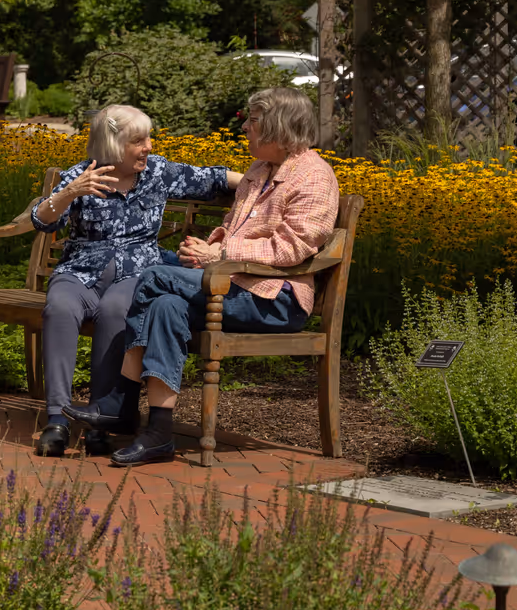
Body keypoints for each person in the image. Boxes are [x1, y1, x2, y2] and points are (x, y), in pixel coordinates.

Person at [66, 87, 339, 466]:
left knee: (154, 276)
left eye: (253, 121)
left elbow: (293, 248)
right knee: (164, 305)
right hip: (232, 284)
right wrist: (207, 248)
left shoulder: (313, 177)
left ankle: (122, 401)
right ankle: (159, 434)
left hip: (275, 297)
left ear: (278, 125)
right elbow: (234, 227)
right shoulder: (259, 171)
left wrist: (220, 254)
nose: (245, 128)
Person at [26, 106, 241, 457]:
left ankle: (99, 419)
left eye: (148, 138)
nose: (148, 147)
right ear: (112, 144)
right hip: (80, 270)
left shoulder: (158, 172)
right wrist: (69, 193)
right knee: (59, 308)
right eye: (138, 141)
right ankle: (57, 420)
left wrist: (263, 181)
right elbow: (42, 220)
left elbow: (212, 178)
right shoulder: (82, 175)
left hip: (136, 273)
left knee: (116, 310)